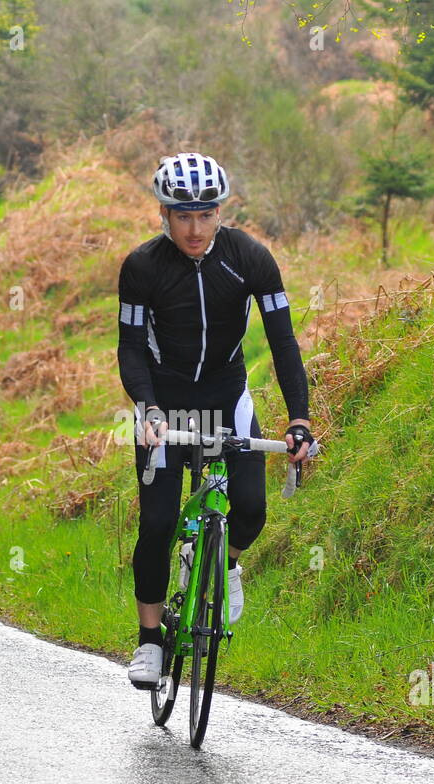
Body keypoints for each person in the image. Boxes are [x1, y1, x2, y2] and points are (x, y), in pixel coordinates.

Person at [117, 153, 313, 689]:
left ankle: (222, 565)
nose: (195, 228)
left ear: (221, 211)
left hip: (228, 400)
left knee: (250, 511)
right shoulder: (143, 267)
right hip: (165, 406)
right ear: (164, 213)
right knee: (157, 523)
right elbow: (131, 349)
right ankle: (150, 642)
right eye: (183, 216)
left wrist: (299, 418)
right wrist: (147, 408)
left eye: (206, 215)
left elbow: (283, 339)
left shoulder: (249, 257)